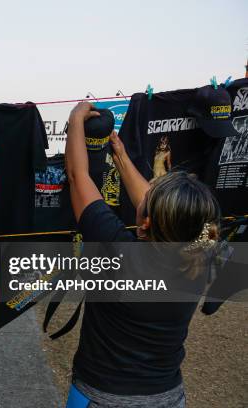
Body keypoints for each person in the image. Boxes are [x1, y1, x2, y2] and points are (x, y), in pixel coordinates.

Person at [64, 102, 220, 408]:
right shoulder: (202, 254)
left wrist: (75, 119)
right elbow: (156, 207)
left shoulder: (117, 247)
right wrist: (119, 154)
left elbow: (76, 175)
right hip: (167, 397)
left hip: (101, 397)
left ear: (147, 222)